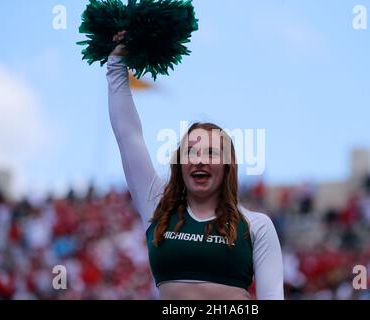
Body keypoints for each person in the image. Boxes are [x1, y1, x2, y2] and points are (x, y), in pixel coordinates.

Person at [107, 31, 284, 300]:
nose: (200, 159)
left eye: (212, 152)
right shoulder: (157, 205)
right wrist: (117, 64)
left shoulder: (256, 226)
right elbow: (127, 135)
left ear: (227, 167)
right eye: (191, 151)